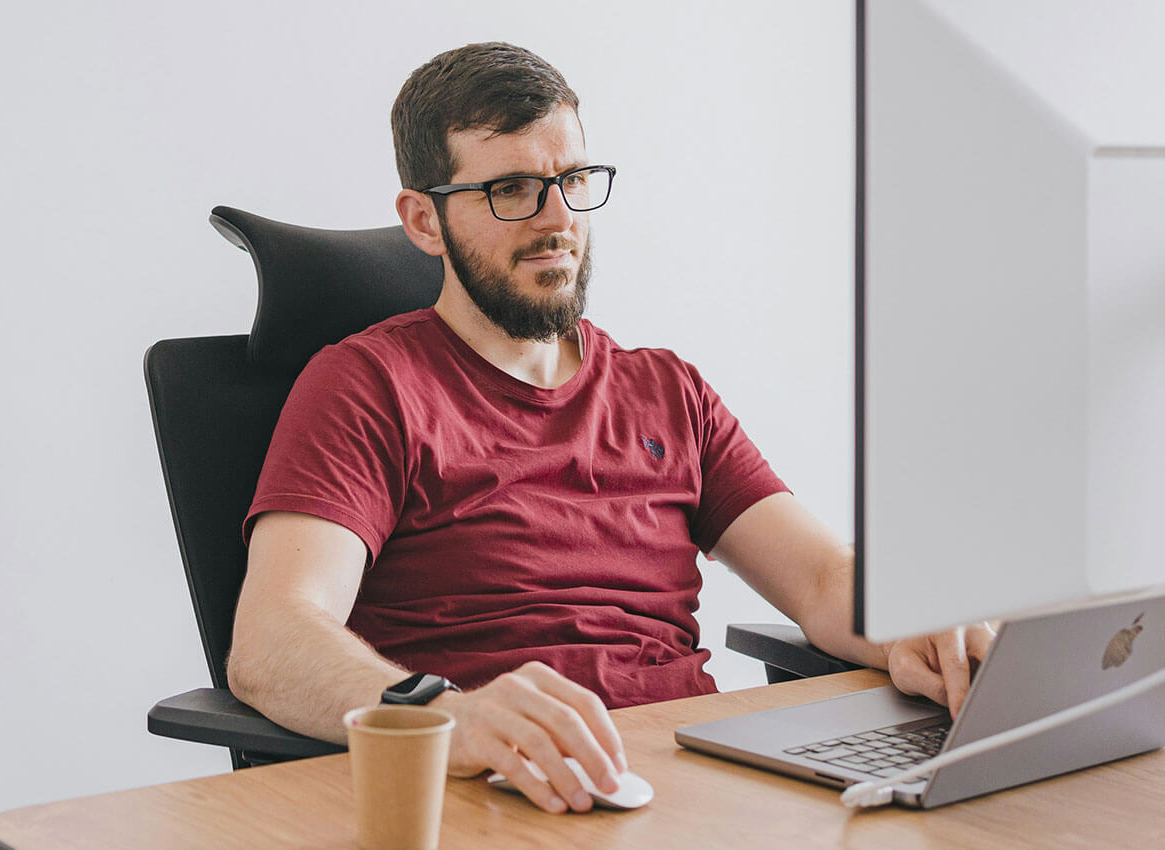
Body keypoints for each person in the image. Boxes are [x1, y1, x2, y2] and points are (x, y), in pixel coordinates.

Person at [226, 43, 993, 815]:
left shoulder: (667, 389)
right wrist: (445, 717)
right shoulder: (368, 385)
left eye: (572, 181)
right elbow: (272, 639)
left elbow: (824, 580)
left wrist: (916, 624)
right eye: (513, 190)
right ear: (424, 220)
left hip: (693, 783)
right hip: (507, 791)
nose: (558, 219)